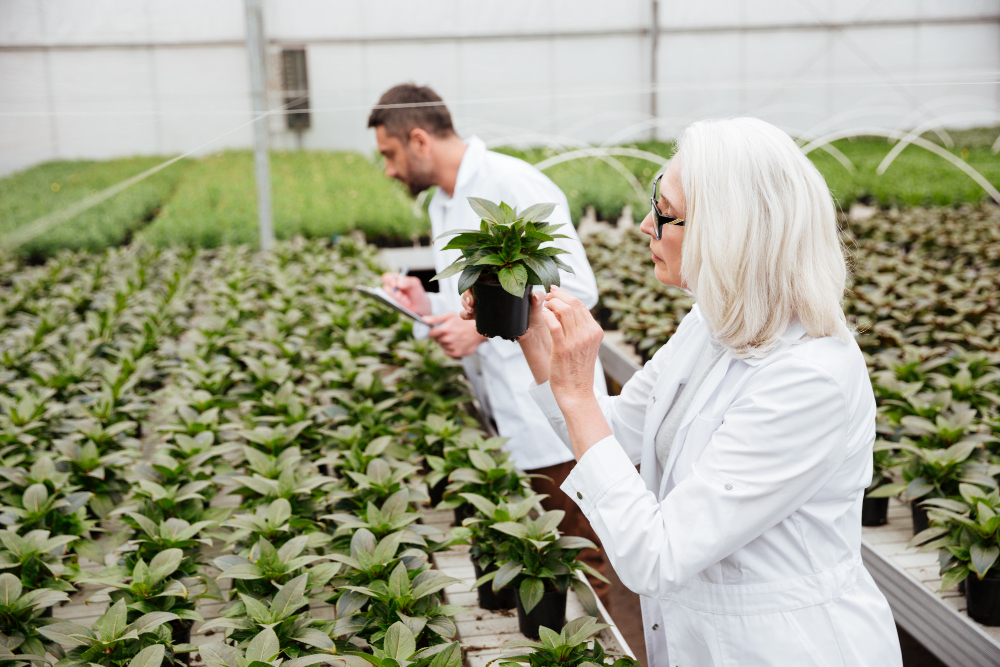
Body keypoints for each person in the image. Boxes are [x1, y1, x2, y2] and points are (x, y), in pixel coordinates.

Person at [463, 117, 903, 666]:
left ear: (729, 232)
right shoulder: (711, 324)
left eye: (665, 211)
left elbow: (657, 555)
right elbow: (617, 433)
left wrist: (576, 390)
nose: (645, 225)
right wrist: (534, 337)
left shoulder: (810, 379)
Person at [368, 84, 611, 606]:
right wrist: (425, 303)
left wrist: (481, 330)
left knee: (581, 560)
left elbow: (577, 289)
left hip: (554, 422)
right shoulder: (442, 203)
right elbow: (477, 302)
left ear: (418, 140)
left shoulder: (510, 182)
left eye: (389, 154)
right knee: (541, 566)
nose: (387, 170)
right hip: (506, 416)